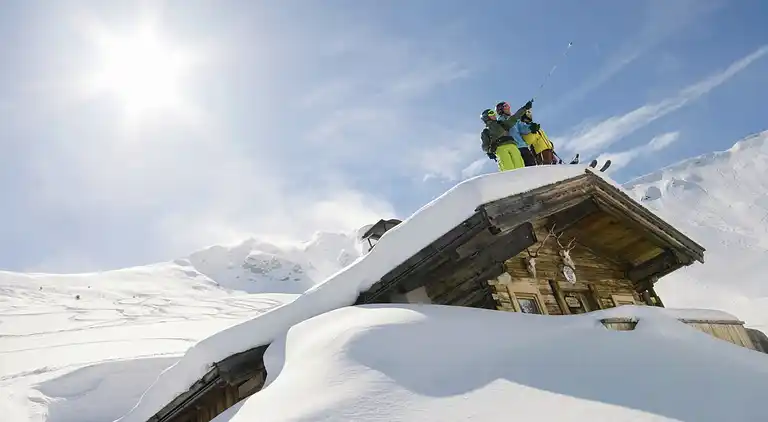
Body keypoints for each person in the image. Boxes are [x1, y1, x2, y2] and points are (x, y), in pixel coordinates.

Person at [480, 101, 533, 172]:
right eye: (491, 113)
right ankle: (512, 181)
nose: (494, 114)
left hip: (512, 146)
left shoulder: (502, 124)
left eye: (494, 113)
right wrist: (489, 150)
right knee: (508, 168)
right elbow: (485, 146)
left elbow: (513, 118)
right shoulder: (486, 131)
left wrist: (524, 108)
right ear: (486, 117)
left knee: (520, 166)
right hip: (500, 148)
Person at [497, 101, 537, 167]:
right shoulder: (501, 121)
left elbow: (522, 129)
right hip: (513, 148)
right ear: (501, 110)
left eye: (508, 105)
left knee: (531, 166)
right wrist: (524, 108)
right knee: (520, 168)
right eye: (506, 105)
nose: (509, 107)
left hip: (522, 146)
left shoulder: (515, 120)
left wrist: (531, 127)